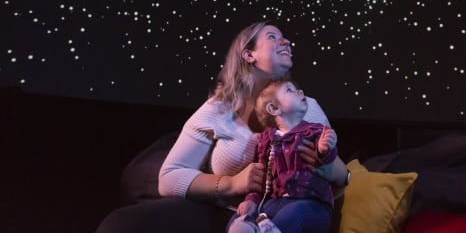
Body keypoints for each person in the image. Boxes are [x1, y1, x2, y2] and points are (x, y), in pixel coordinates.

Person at [95, 21, 349, 233]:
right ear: (248, 55)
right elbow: (169, 177)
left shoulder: (307, 106)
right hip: (226, 212)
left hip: (292, 212)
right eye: (273, 37)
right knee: (123, 224)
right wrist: (230, 183)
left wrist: (329, 167)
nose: (286, 42)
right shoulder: (219, 109)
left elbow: (341, 176)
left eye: (285, 38)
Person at [228, 79, 338, 233]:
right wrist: (252, 200)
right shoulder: (266, 140)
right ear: (274, 108)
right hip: (274, 202)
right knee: (239, 217)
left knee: (292, 215)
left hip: (311, 204)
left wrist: (325, 149)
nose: (300, 92)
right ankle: (246, 227)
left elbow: (327, 161)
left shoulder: (314, 131)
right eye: (289, 90)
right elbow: (261, 177)